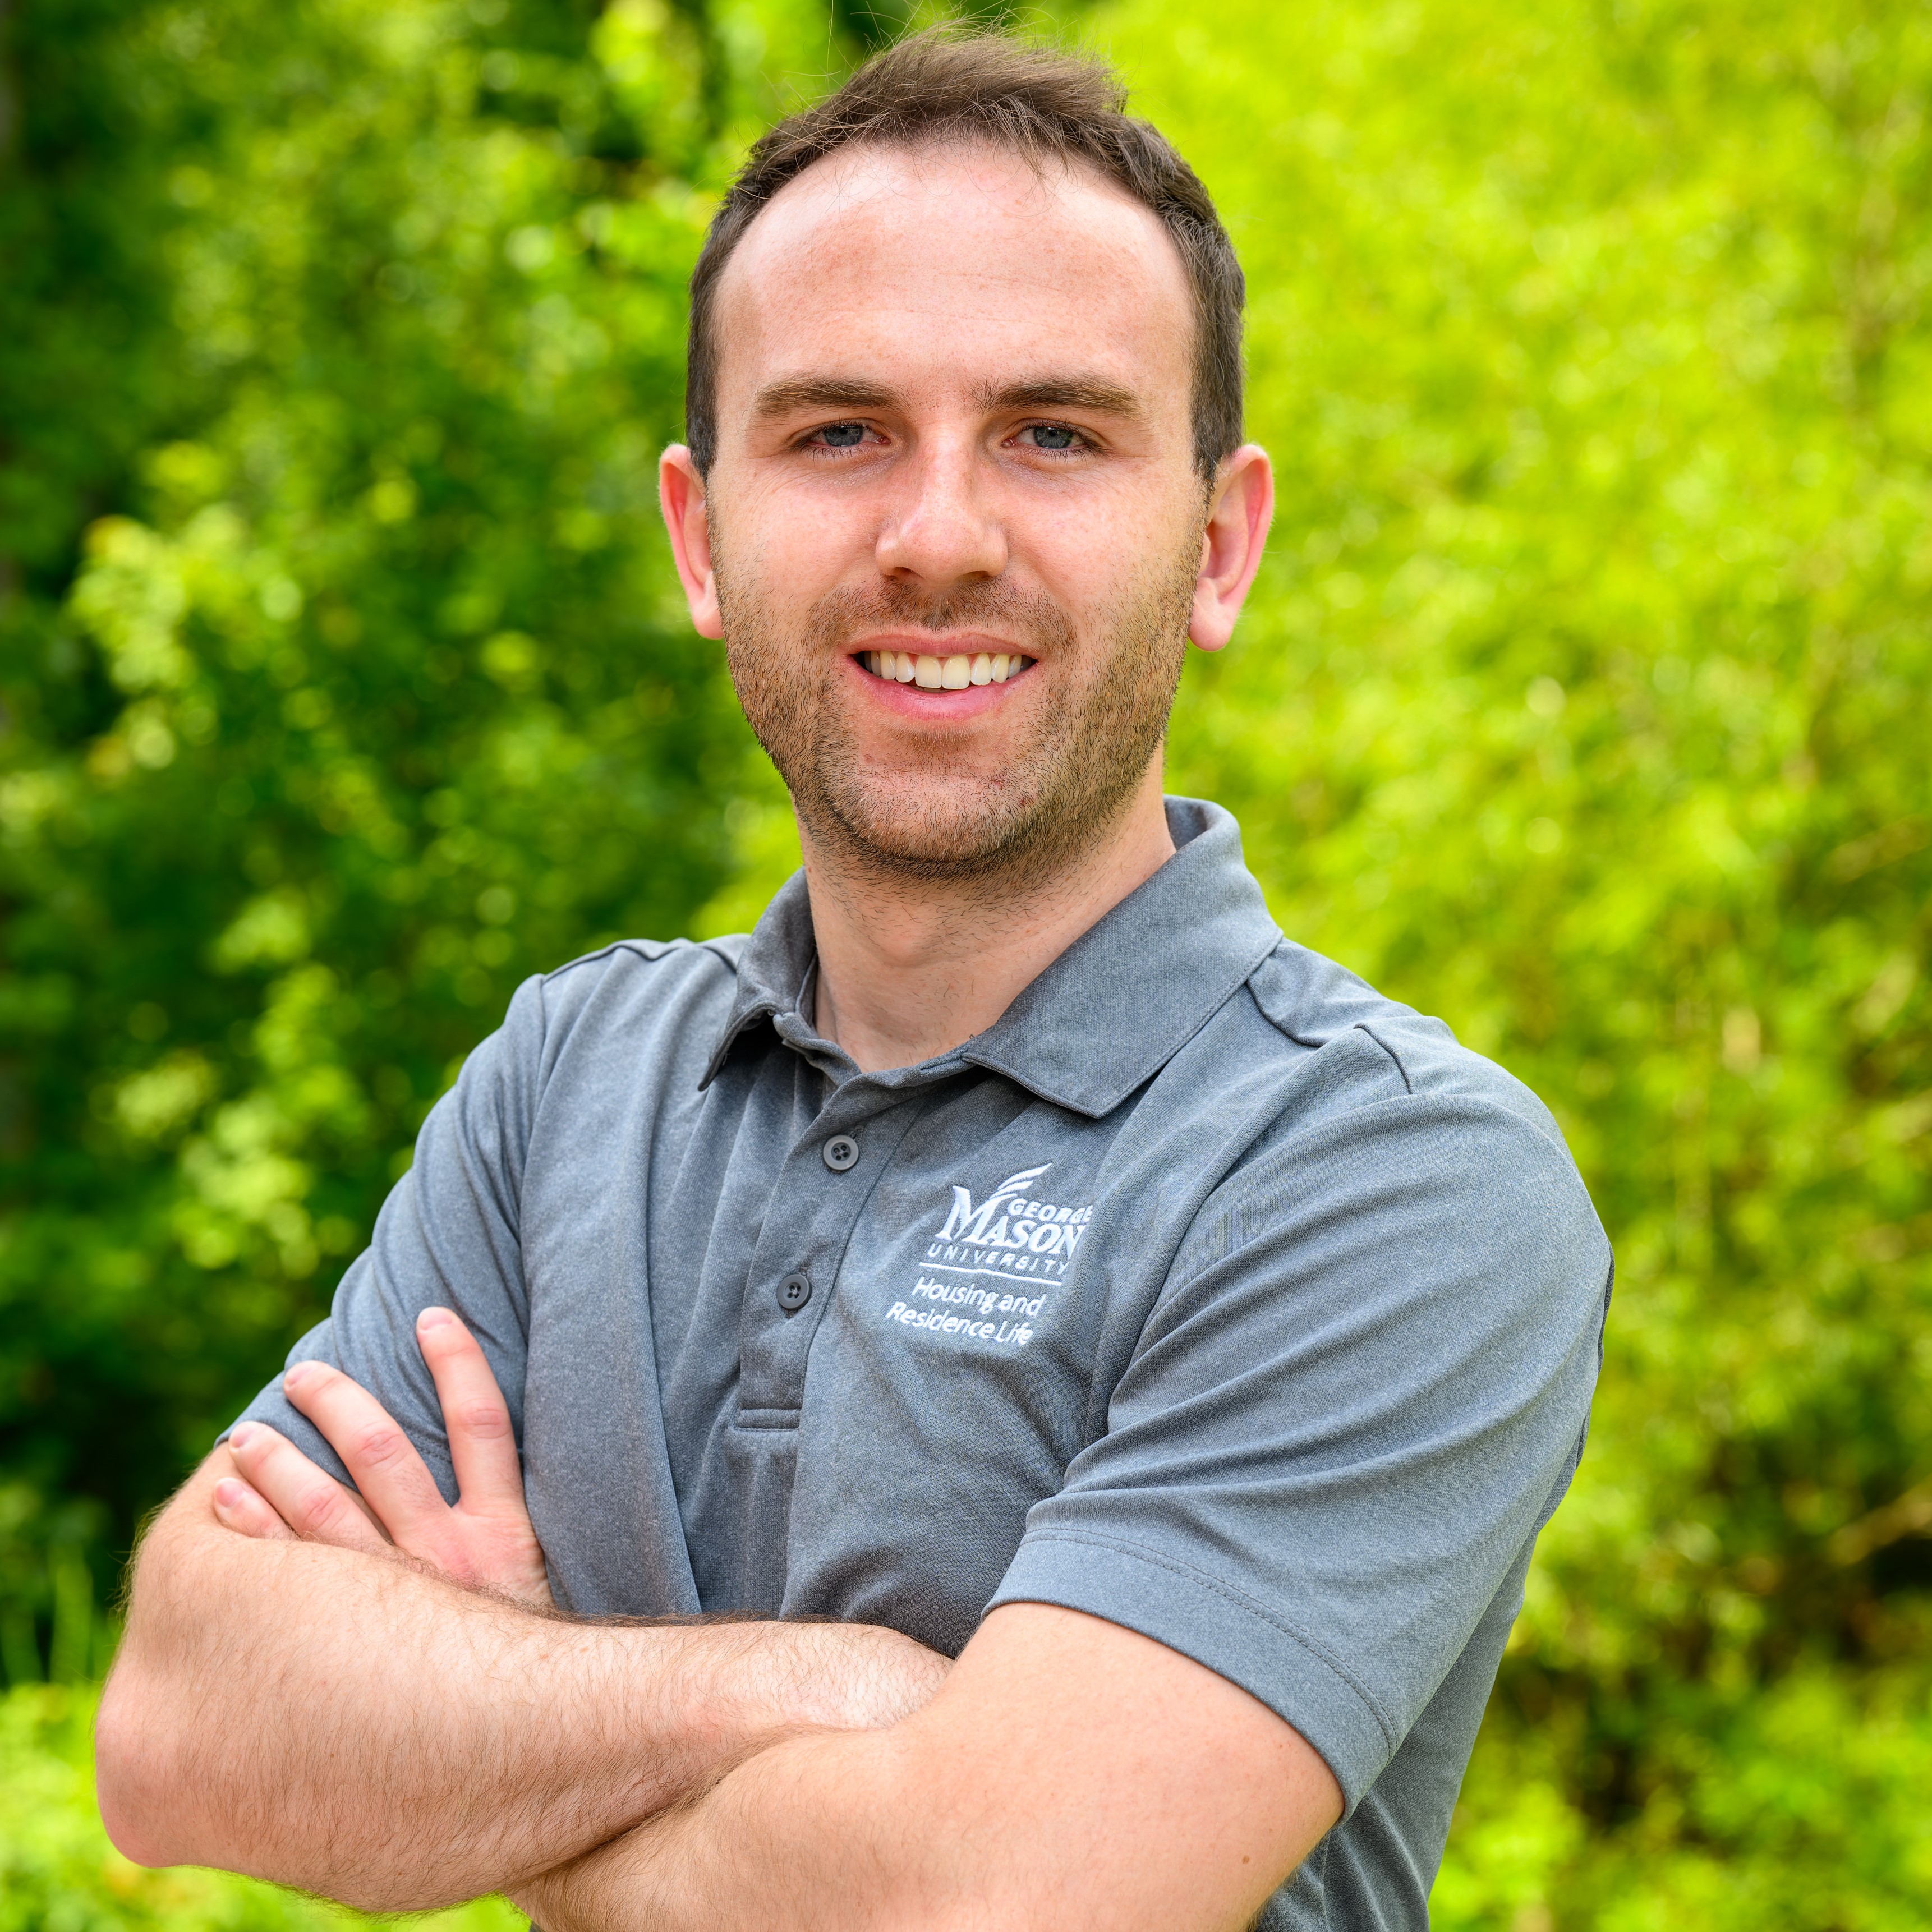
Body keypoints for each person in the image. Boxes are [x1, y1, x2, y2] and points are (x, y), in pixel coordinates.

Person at [96, 29, 1611, 1932]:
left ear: (1217, 544)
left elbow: (979, 1906)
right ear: (698, 533)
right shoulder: (573, 1074)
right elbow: (182, 1725)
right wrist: (830, 1695)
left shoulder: (1388, 1178)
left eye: (1054, 433)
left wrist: (493, 1734)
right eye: (838, 432)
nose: (940, 537)